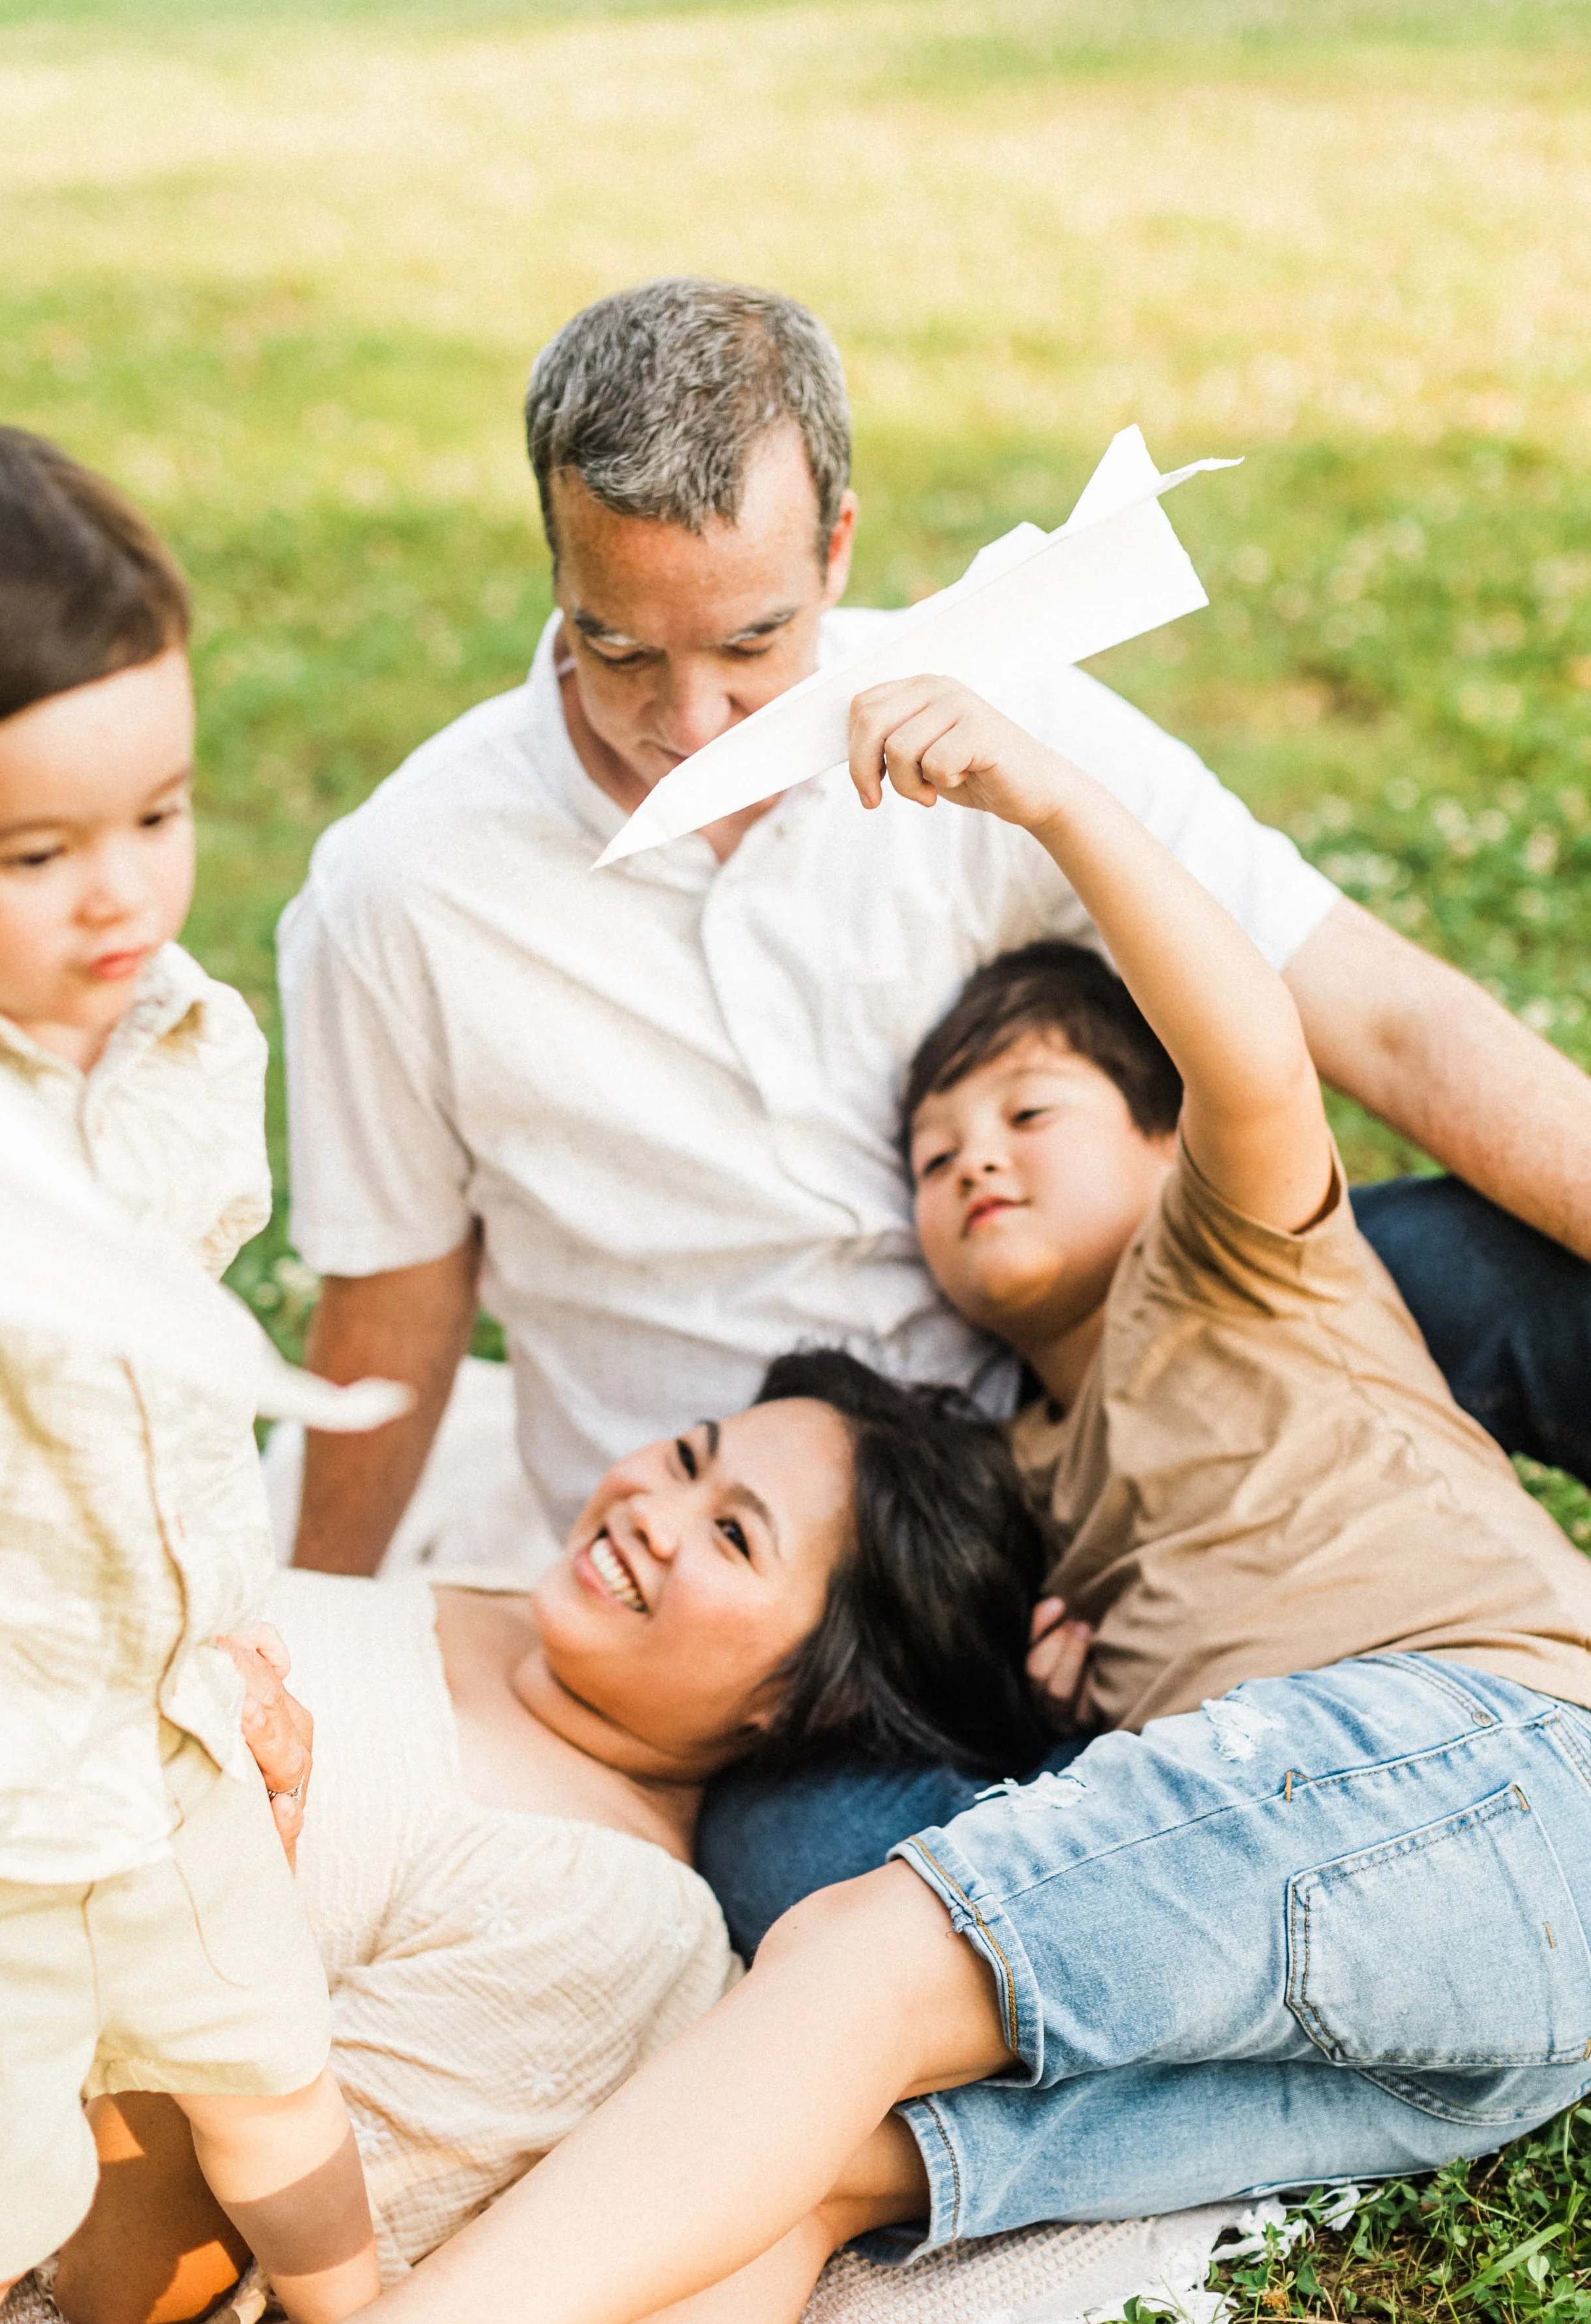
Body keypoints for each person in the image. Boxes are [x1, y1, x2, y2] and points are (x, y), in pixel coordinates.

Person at [0, 673, 1591, 2324]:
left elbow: (1254, 1051)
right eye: (934, 1152)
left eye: (1030, 1113)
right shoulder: (1018, 1500)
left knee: (866, 1951)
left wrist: (1057, 799)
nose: (974, 1159)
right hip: (1464, 2022)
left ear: (1159, 1140)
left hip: (1509, 1768)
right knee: (835, 2153)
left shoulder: (1248, 1263)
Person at [281, 274, 1591, 1613]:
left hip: (1092, 1396)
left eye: (751, 642)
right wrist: (314, 1619)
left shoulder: (989, 719)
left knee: (1487, 1273)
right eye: (616, 647)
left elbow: (1381, 1016)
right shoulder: (401, 893)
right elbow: (394, 1300)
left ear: (837, 547)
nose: (693, 721)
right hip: (767, 1586)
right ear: (557, 560)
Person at [12, 1352, 1043, 2324]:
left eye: (734, 1535)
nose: (654, 1511)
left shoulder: (615, 1916)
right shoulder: (513, 1587)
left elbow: (132, 2287)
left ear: (819, 1699)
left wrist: (221, 1881)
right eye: (689, 1457)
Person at [0, 426, 380, 2324]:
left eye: (160, 813)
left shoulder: (187, 1037)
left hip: (174, 1741)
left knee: (281, 2096)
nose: (119, 891)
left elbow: (178, 1402)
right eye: (36, 855)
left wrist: (238, 1636)